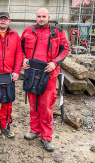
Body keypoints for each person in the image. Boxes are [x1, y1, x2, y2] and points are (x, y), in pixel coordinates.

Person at [21, 8, 69, 152]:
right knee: (33, 103)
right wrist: (23, 59)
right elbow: (20, 48)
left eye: (44, 16)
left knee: (46, 106)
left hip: (49, 74)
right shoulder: (28, 31)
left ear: (48, 17)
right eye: (39, 16)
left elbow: (65, 49)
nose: (41, 19)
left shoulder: (57, 32)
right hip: (31, 73)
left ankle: (46, 136)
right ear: (35, 17)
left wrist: (55, 62)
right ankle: (34, 130)